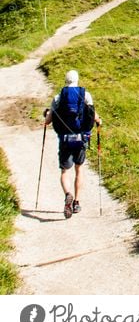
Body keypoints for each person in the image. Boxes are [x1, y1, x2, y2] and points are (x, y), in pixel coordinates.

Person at [44, 69, 101, 219]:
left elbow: (48, 121)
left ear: (65, 80)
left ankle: (67, 194)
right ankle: (76, 202)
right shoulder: (85, 95)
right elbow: (92, 114)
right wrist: (99, 121)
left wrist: (47, 114)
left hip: (65, 140)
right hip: (80, 138)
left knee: (64, 171)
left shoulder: (58, 97)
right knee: (79, 169)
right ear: (77, 80)